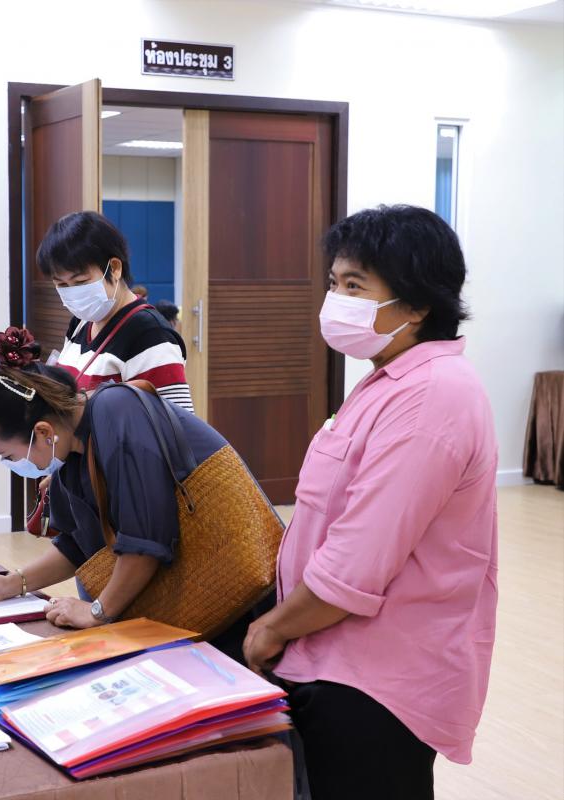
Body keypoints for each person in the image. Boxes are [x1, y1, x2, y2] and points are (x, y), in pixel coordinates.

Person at [243, 206, 498, 800]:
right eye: (334, 284)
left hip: (377, 681)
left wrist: (271, 628)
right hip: (330, 654)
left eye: (355, 286)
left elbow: (356, 562)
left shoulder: (432, 395)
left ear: (418, 304)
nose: (336, 300)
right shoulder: (388, 378)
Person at [0, 328, 267, 660]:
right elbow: (77, 547)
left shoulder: (117, 413)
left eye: (8, 456)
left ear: (43, 431)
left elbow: (144, 544)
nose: (12, 465)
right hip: (191, 611)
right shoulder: (72, 450)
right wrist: (9, 583)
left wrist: (97, 611)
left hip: (233, 607)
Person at [41, 212, 193, 412]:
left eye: (81, 282)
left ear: (114, 268)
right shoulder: (81, 323)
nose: (73, 292)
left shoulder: (151, 336)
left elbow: (172, 423)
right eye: (62, 284)